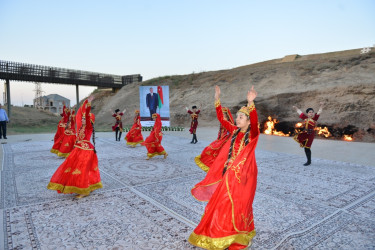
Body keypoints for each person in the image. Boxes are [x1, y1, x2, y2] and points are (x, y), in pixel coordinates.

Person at [189, 85, 259, 250]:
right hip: (228, 176)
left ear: (248, 121)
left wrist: (250, 103)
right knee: (221, 204)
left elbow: (255, 122)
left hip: (243, 177)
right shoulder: (234, 131)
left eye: (241, 117)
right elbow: (222, 119)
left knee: (239, 206)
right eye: (237, 117)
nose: (238, 119)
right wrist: (217, 100)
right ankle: (222, 234)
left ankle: (237, 236)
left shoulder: (253, 135)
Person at [47, 96, 102, 198]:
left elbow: (86, 115)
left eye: (85, 119)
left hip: (86, 151)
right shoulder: (81, 127)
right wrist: (84, 105)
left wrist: (88, 104)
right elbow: (79, 115)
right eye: (83, 119)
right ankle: (80, 186)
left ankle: (84, 190)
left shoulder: (89, 127)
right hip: (78, 149)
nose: (83, 120)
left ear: (90, 121)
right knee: (74, 168)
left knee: (82, 169)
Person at [195, 107, 234, 172]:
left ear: (227, 115)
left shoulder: (228, 123)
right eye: (222, 114)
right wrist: (219, 139)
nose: (222, 115)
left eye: (223, 114)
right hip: (221, 140)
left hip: (226, 141)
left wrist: (223, 140)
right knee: (210, 150)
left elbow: (229, 133)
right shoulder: (222, 121)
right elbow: (220, 132)